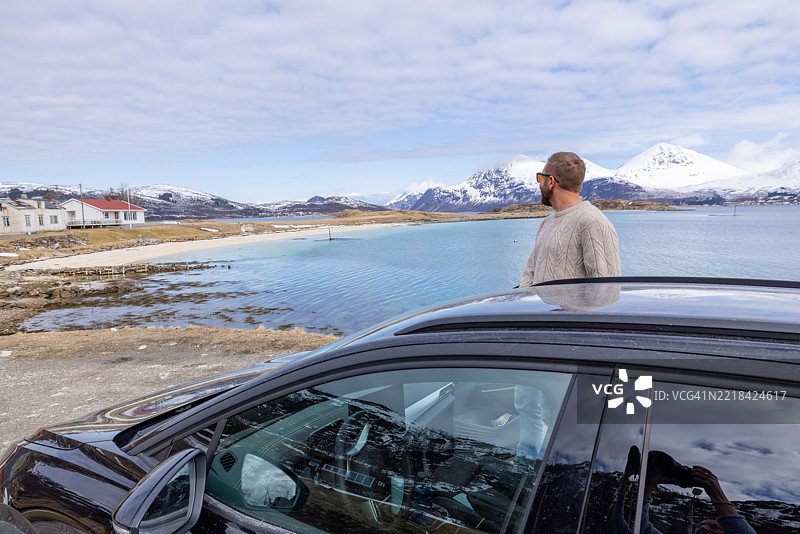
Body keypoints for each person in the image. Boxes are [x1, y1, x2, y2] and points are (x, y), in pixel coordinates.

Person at [519, 151, 620, 287]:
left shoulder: (592, 221)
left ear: (550, 182)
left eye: (540, 178)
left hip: (564, 309)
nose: (539, 183)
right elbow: (529, 274)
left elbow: (606, 289)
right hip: (539, 309)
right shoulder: (546, 223)